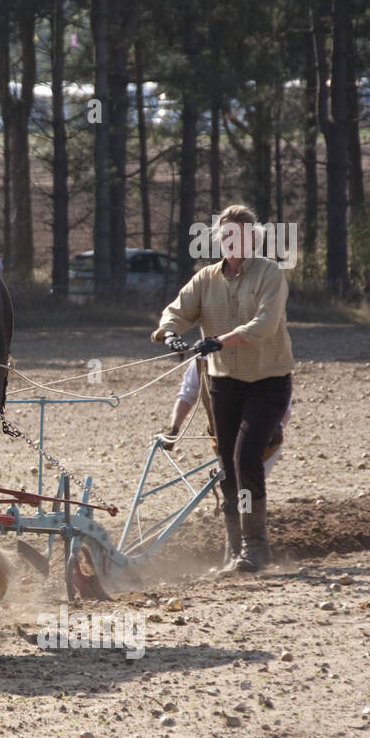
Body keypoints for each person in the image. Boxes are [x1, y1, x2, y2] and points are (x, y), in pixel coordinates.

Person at [152, 204, 294, 573]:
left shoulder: (270, 274)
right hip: (223, 385)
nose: (233, 242)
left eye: (241, 236)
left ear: (253, 239)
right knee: (227, 468)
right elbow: (178, 309)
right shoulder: (206, 279)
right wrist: (169, 332)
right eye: (227, 235)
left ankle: (256, 548)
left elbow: (264, 324)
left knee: (246, 458)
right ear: (218, 239)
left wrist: (220, 341)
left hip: (267, 383)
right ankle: (234, 550)